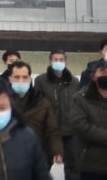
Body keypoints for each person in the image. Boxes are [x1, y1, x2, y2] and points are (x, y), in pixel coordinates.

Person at [34, 49, 81, 180]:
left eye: (61, 60)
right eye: (56, 59)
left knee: (73, 168)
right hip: (48, 132)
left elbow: (78, 106)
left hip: (70, 132)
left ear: (66, 61)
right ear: (50, 61)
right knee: (42, 166)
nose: (59, 62)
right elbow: (37, 105)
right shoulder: (40, 81)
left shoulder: (74, 82)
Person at [7, 61, 63, 168]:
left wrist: (57, 150)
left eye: (24, 77)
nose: (21, 81)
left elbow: (52, 130)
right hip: (9, 158)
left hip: (37, 157)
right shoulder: (0, 103)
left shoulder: (42, 103)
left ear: (30, 79)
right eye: (16, 77)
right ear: (10, 79)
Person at [71, 59, 107, 179]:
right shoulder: (80, 98)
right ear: (93, 76)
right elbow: (79, 125)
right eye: (102, 72)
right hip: (91, 163)